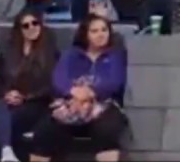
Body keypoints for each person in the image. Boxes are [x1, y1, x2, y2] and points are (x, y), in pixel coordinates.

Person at [29, 14, 128, 162]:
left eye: (104, 30)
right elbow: (58, 79)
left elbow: (115, 81)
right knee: (44, 131)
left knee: (107, 130)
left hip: (104, 105)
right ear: (85, 34)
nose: (101, 34)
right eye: (94, 31)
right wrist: (72, 92)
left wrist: (90, 93)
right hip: (70, 104)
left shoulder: (115, 56)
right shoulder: (71, 55)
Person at [0, 12, 59, 162]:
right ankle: (7, 152)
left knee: (7, 121)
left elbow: (52, 85)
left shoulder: (49, 50)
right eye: (26, 25)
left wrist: (25, 97)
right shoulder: (9, 51)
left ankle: (5, 153)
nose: (31, 28)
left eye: (35, 23)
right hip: (9, 101)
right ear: (19, 29)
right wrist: (7, 93)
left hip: (37, 102)